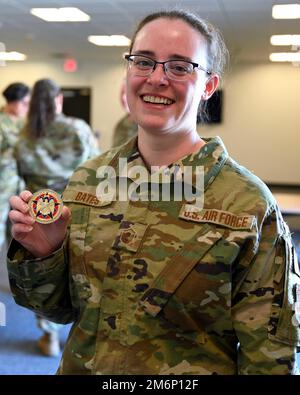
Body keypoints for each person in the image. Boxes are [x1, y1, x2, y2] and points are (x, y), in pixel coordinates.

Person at [7, 10, 300, 375]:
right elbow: (58, 309)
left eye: (180, 67)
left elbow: (270, 358)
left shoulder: (247, 205)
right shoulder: (88, 180)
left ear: (208, 85)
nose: (157, 78)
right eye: (144, 61)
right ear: (129, 71)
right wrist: (46, 254)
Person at [14, 78, 100, 357]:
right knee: (80, 271)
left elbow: (16, 173)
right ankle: (83, 333)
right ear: (58, 99)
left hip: (37, 212)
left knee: (46, 271)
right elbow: (97, 168)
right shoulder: (77, 129)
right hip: (74, 209)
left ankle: (48, 333)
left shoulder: (26, 133)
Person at [0, 83, 30, 250]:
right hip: (3, 182)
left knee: (18, 226)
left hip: (19, 181)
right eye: (24, 103)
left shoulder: (23, 123)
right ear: (13, 102)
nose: (26, 107)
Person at [111, 78, 137, 147]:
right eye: (122, 93)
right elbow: (121, 156)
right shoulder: (120, 125)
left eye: (127, 93)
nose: (123, 98)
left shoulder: (146, 125)